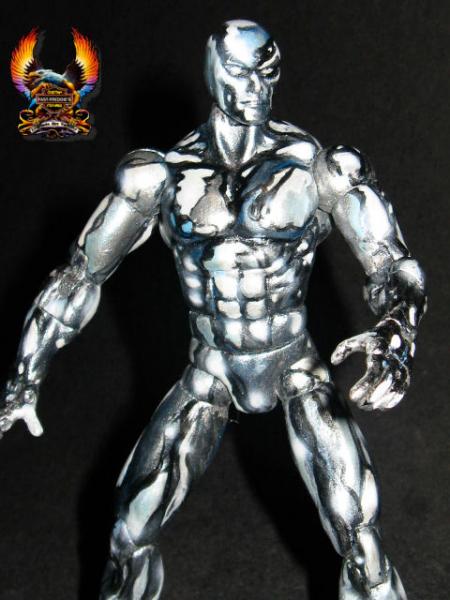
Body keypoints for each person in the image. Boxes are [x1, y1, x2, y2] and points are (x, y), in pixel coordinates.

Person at [0, 19, 426, 600]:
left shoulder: (317, 168)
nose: (256, 89)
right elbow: (80, 275)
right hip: (212, 368)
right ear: (213, 74)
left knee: (361, 540)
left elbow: (394, 265)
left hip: (295, 364)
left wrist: (398, 330)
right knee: (128, 532)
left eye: (267, 75)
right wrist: (25, 377)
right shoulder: (161, 176)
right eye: (241, 75)